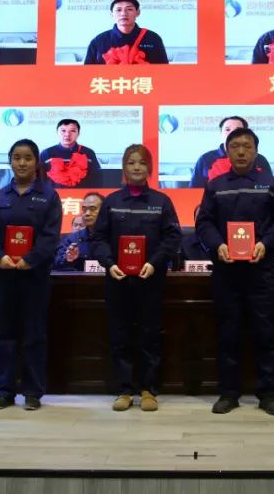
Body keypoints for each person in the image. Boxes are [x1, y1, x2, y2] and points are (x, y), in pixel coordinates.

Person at [195, 127, 274, 415]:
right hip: (226, 271)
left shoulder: (271, 184)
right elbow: (204, 222)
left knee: (265, 332)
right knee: (228, 332)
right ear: (226, 151)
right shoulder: (215, 185)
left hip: (261, 270)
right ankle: (229, 393)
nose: (241, 151)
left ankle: (268, 394)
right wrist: (217, 245)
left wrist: (265, 243)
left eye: (247, 146)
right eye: (235, 146)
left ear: (256, 151)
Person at [93, 144, 182, 412]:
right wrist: (109, 264)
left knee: (149, 335)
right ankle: (124, 390)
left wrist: (154, 263)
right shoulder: (111, 202)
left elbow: (172, 238)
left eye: (142, 163)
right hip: (118, 279)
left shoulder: (161, 201)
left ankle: (148, 390)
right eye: (131, 162)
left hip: (150, 280)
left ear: (150, 168)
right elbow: (99, 239)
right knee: (120, 334)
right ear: (124, 167)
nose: (136, 167)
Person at [0, 139, 62, 411]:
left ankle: (33, 392)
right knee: (4, 334)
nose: (22, 163)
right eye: (16, 158)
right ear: (10, 161)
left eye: (27, 158)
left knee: (34, 335)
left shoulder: (49, 196)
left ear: (36, 162)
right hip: (3, 276)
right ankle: (5, 391)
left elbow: (51, 236)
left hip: (34, 276)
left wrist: (30, 259)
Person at [190, 116, 273, 187]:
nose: (232, 133)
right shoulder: (206, 160)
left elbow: (270, 189)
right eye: (227, 129)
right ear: (221, 134)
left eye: (237, 130)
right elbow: (194, 192)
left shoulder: (259, 160)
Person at [84, 0, 169, 65]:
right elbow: (87, 73)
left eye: (129, 9)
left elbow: (164, 70)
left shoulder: (152, 38)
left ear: (138, 12)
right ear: (111, 14)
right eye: (118, 10)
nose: (123, 13)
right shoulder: (99, 41)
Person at [40, 119, 104, 188]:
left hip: (82, 193)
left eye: (72, 131)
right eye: (63, 131)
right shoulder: (46, 153)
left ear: (78, 133)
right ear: (57, 132)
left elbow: (97, 178)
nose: (67, 134)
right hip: (53, 194)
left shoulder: (88, 153)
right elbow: (39, 179)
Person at [53, 193, 103, 271]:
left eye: (92, 209)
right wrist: (68, 259)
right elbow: (56, 263)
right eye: (84, 209)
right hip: (79, 278)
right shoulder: (72, 239)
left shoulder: (113, 236)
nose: (87, 213)